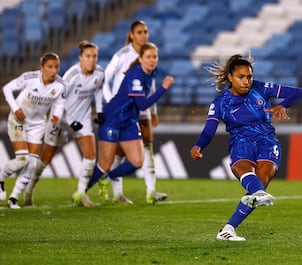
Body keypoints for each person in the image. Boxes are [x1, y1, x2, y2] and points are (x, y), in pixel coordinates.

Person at [190, 54, 302, 241]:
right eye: (241, 77)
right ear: (230, 77)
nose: (246, 81)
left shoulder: (260, 88)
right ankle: (254, 195)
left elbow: (299, 93)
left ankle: (228, 229)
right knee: (244, 170)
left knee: (262, 182)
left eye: (249, 77)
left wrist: (283, 105)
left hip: (267, 141)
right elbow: (208, 131)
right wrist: (198, 146)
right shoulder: (220, 103)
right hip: (241, 141)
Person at [80, 42, 173, 206]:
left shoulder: (151, 72)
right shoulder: (135, 76)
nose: (152, 60)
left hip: (129, 121)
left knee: (137, 162)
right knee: (104, 164)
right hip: (114, 119)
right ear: (141, 59)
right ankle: (81, 193)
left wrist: (155, 111)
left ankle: (107, 179)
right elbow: (143, 104)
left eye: (154, 57)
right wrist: (163, 89)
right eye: (148, 57)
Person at [22, 40, 106, 207]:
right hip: (61, 119)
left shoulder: (99, 73)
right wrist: (67, 122)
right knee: (45, 159)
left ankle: (80, 193)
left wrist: (100, 110)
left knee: (90, 156)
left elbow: (98, 89)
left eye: (94, 56)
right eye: (88, 56)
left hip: (82, 119)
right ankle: (29, 191)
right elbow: (57, 101)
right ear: (80, 58)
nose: (92, 60)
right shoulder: (71, 76)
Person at [102, 20, 167, 204]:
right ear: (131, 35)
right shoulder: (122, 55)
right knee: (120, 152)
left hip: (142, 107)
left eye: (145, 31)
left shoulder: (149, 53)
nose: (143, 34)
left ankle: (151, 190)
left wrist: (153, 110)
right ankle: (117, 193)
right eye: (139, 32)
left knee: (148, 145)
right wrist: (111, 102)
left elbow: (151, 85)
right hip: (124, 109)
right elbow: (106, 77)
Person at [0, 52, 66, 209]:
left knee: (33, 163)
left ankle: (14, 198)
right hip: (18, 120)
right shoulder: (29, 78)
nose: (54, 71)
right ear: (42, 68)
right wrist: (16, 109)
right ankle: (1, 178)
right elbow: (7, 89)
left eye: (56, 67)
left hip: (37, 125)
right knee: (22, 159)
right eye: (50, 67)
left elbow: (59, 104)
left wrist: (56, 116)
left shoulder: (60, 85)